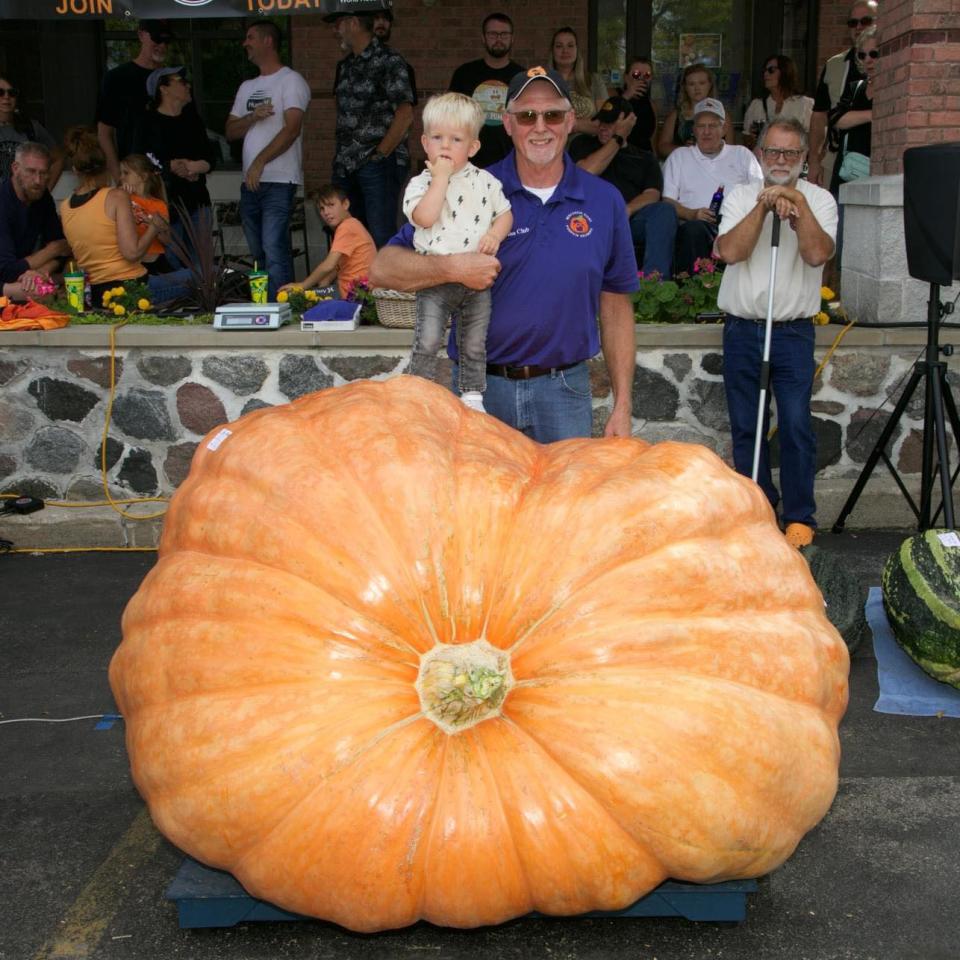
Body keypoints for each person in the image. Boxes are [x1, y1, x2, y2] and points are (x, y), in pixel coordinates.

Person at [371, 66, 638, 443]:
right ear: (509, 123)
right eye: (528, 115)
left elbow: (616, 304)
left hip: (565, 391)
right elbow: (382, 268)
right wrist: (451, 267)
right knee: (478, 502)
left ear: (571, 121)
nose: (540, 126)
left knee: (560, 501)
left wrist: (623, 405)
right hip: (480, 391)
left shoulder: (603, 200)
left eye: (553, 115)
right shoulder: (471, 188)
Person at [715, 116, 838, 549]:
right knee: (747, 425)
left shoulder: (820, 200)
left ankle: (800, 517)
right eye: (772, 152)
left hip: (791, 332)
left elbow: (817, 253)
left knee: (795, 423)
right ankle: (759, 509)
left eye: (790, 153)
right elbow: (730, 251)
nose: (780, 160)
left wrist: (795, 207)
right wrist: (765, 205)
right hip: (744, 329)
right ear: (760, 154)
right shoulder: (740, 195)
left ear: (804, 158)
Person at [402, 93, 512, 412]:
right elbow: (423, 217)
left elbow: (505, 213)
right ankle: (418, 389)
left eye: (455, 139)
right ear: (425, 143)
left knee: (474, 341)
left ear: (473, 147)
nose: (445, 146)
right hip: (435, 279)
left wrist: (495, 233)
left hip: (476, 282)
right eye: (437, 138)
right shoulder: (421, 183)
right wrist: (440, 179)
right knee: (428, 339)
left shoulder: (486, 182)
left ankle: (472, 393)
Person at [59, 127, 192, 309]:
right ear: (105, 165)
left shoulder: (65, 206)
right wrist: (153, 227)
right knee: (209, 274)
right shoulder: (115, 197)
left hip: (100, 294)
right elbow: (132, 253)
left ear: (75, 170)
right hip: (132, 288)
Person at [226, 21, 311, 298]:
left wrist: (260, 161)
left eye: (250, 37)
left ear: (268, 41)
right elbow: (230, 130)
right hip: (250, 183)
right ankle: (263, 306)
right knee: (257, 251)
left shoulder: (291, 80)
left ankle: (281, 307)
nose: (245, 43)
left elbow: (292, 128)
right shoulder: (247, 86)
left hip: (278, 180)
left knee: (274, 247)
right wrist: (252, 117)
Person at [326, 3, 414, 249]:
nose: (336, 30)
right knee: (348, 235)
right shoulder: (344, 66)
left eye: (339, 23)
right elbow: (342, 112)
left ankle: (382, 288)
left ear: (354, 23)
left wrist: (379, 155)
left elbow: (405, 114)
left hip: (377, 164)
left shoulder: (390, 60)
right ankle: (356, 287)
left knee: (381, 234)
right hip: (346, 164)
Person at [569, 96, 676, 278]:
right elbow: (585, 173)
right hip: (590, 217)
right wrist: (617, 138)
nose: (603, 126)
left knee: (664, 211)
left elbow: (652, 194)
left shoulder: (644, 157)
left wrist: (627, 209)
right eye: (602, 121)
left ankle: (654, 285)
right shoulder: (583, 144)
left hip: (629, 219)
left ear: (628, 124)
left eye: (610, 123)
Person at [662, 97, 762, 276]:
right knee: (694, 230)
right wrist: (692, 214)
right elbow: (667, 201)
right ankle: (690, 295)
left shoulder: (742, 155)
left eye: (713, 126)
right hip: (695, 224)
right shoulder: (679, 157)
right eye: (701, 126)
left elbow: (759, 194)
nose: (706, 132)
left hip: (736, 224)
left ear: (723, 129)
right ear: (694, 130)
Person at [132, 66, 217, 265]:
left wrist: (195, 166)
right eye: (180, 81)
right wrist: (169, 166)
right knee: (171, 261)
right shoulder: (146, 121)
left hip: (197, 201)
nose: (187, 85)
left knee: (202, 263)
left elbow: (210, 158)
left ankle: (202, 297)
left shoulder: (192, 119)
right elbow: (139, 160)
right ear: (164, 88)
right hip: (165, 204)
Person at [807, 0, 878, 189]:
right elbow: (822, 115)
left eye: (865, 20)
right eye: (853, 23)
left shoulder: (893, 65)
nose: (858, 27)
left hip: (878, 158)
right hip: (840, 158)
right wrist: (814, 161)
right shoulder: (834, 65)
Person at [96, 19, 175, 184]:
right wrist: (120, 177)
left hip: (173, 176)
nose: (162, 45)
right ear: (141, 35)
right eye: (157, 38)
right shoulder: (116, 78)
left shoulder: (175, 79)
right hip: (135, 176)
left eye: (166, 40)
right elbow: (104, 132)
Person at [449, 13, 525, 169]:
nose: (498, 39)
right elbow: (450, 119)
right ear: (483, 38)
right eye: (492, 34)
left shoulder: (522, 78)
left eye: (504, 34)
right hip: (470, 164)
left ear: (512, 38)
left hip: (512, 165)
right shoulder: (464, 74)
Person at [279, 184, 375, 300]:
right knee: (313, 295)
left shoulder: (347, 227)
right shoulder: (351, 225)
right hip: (356, 292)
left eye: (331, 205)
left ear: (345, 204)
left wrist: (302, 285)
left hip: (352, 294)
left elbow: (329, 265)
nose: (326, 212)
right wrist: (326, 281)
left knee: (295, 297)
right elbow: (337, 266)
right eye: (322, 208)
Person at [0, 142, 69, 301]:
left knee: (74, 272)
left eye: (43, 173)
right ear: (15, 168)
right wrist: (51, 251)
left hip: (24, 273)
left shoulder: (42, 197)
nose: (38, 180)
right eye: (31, 172)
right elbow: (7, 270)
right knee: (42, 293)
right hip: (5, 277)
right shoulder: (3, 202)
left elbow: (63, 250)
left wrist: (40, 271)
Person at [828, 27, 876, 195]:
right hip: (847, 171)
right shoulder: (855, 88)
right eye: (862, 55)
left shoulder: (890, 90)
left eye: (874, 54)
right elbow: (836, 118)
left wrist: (854, 117)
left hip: (874, 172)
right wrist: (872, 115)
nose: (868, 60)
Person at [658, 63, 734, 159]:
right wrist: (685, 150)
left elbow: (730, 149)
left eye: (702, 83)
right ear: (685, 87)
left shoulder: (723, 115)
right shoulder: (676, 115)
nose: (697, 88)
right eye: (691, 84)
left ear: (710, 85)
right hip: (684, 167)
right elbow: (662, 147)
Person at [0, 75, 61, 188]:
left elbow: (58, 158)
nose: (6, 97)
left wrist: (44, 191)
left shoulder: (31, 127)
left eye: (12, 93)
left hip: (26, 202)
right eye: (0, 92)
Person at [742, 55, 814, 150]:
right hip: (763, 161)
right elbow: (747, 142)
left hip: (793, 160)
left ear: (785, 72)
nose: (766, 74)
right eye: (764, 70)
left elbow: (814, 140)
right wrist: (752, 138)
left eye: (771, 70)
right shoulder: (756, 105)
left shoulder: (805, 104)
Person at [549, 26, 607, 137]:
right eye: (559, 46)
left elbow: (605, 123)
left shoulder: (594, 80)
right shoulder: (542, 83)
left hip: (590, 147)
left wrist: (573, 124)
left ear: (577, 50)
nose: (565, 50)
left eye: (570, 45)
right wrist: (587, 124)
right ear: (552, 51)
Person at [118, 153, 170, 273]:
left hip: (156, 260)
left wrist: (154, 226)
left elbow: (167, 240)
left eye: (126, 173)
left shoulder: (159, 204)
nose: (121, 177)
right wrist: (123, 197)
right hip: (133, 262)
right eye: (121, 173)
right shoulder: (121, 197)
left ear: (143, 177)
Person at [617, 57, 657, 154]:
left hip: (644, 158)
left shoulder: (650, 104)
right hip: (619, 156)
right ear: (626, 77)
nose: (642, 79)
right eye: (636, 74)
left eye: (647, 75)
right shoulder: (614, 95)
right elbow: (606, 121)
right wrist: (627, 95)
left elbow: (652, 140)